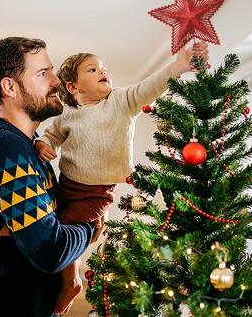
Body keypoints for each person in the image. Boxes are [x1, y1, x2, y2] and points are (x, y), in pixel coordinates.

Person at [34, 42, 209, 314]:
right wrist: (42, 145)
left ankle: (72, 281)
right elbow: (51, 136)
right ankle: (64, 268)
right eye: (93, 69)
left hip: (97, 192)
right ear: (73, 87)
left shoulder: (120, 101)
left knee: (64, 229)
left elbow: (149, 87)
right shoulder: (67, 114)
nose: (104, 72)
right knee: (54, 222)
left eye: (104, 68)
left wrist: (178, 67)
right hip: (66, 185)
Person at [0, 37, 103, 317]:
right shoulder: (4, 148)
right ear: (9, 87)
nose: (56, 80)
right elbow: (50, 250)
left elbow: (52, 217)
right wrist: (90, 226)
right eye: (42, 73)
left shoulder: (28, 142)